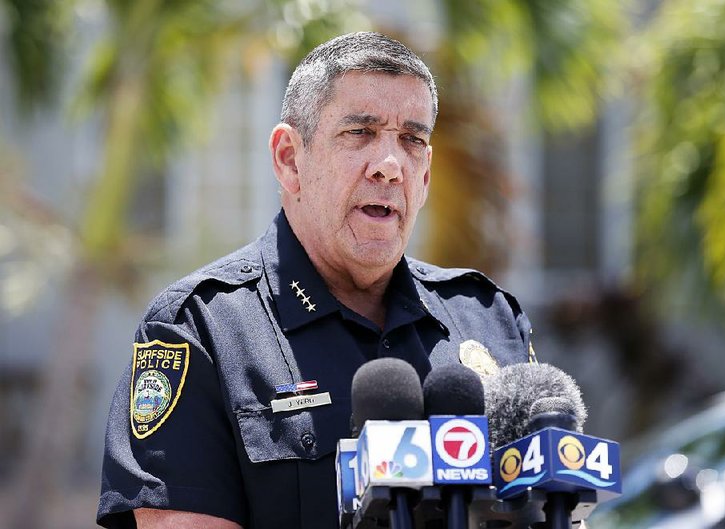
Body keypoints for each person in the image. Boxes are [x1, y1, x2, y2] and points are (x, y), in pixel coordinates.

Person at [97, 31, 532, 529]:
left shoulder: (489, 318)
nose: (390, 166)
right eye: (360, 133)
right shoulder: (198, 331)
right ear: (289, 159)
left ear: (426, 174)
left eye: (412, 140)